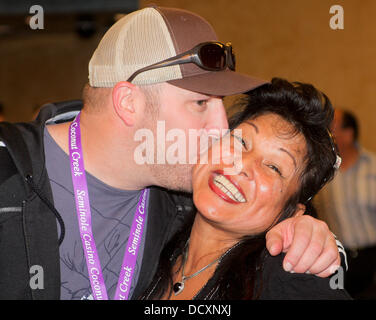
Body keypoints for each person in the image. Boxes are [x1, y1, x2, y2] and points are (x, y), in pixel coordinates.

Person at [0, 6, 343, 300]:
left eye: (222, 107)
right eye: (200, 103)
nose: (221, 129)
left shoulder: (183, 204)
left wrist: (318, 244)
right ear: (129, 103)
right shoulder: (8, 175)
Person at [140, 78, 350, 300]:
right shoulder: (150, 230)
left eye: (273, 167)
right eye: (240, 141)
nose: (241, 164)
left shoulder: (286, 279)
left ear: (292, 213)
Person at [315, 109, 376, 298]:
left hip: (372, 256)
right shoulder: (322, 171)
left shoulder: (373, 167)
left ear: (348, 134)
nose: (325, 131)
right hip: (337, 259)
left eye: (331, 127)